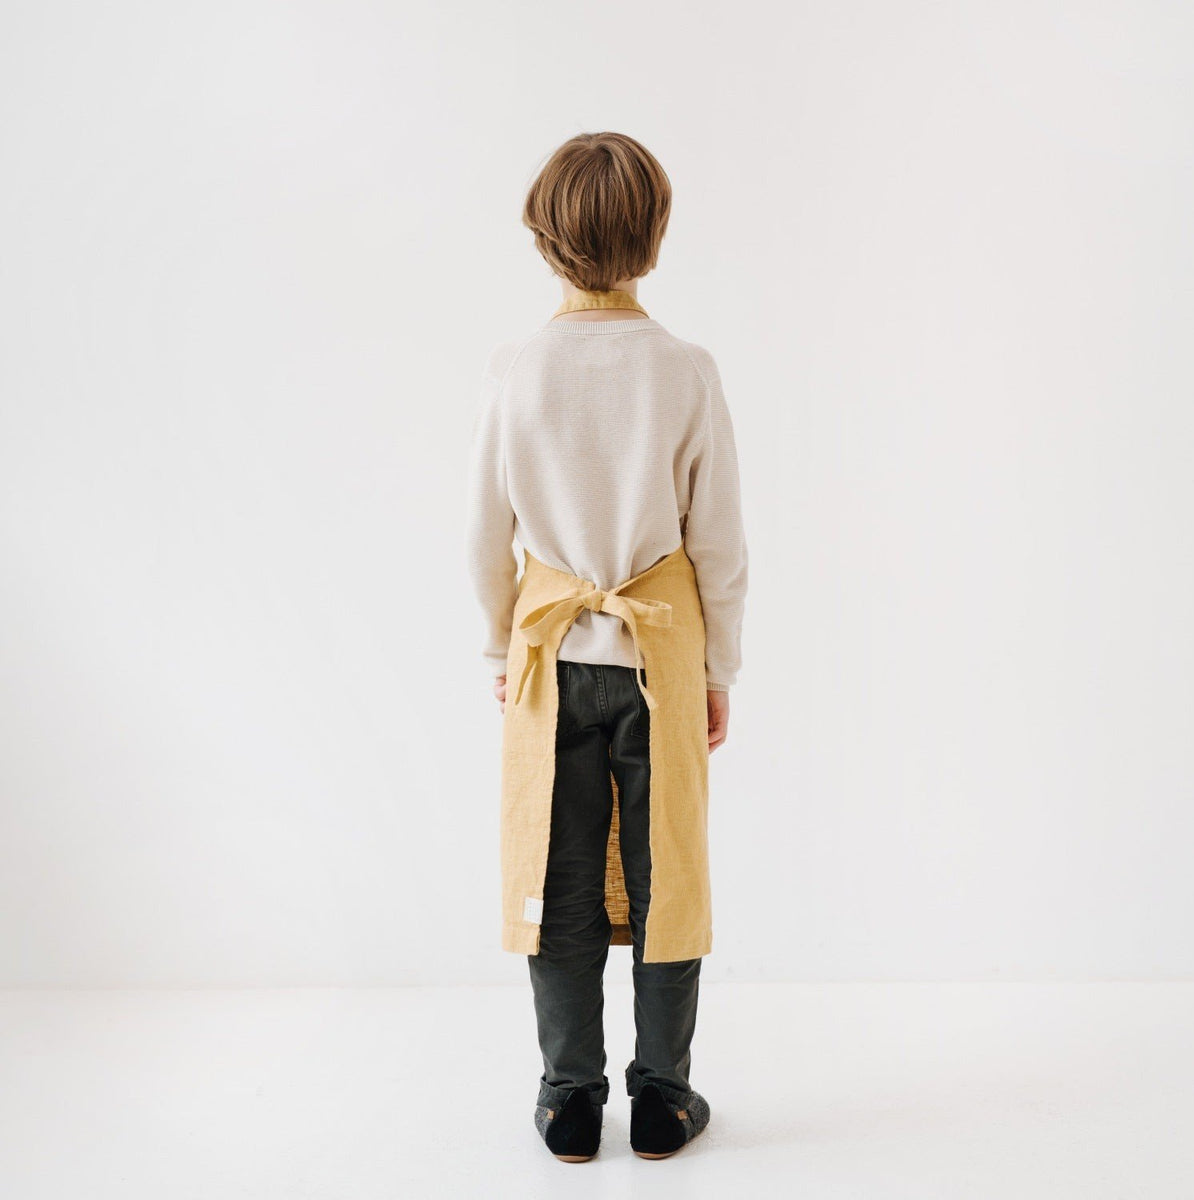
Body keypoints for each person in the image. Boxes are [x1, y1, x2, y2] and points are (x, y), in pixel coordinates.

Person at [465, 131, 749, 1162]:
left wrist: (503, 650)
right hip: (659, 655)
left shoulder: (516, 369)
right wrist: (717, 670)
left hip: (552, 657)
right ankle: (665, 1099)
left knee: (559, 875)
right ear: (654, 237)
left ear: (542, 237)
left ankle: (568, 1098)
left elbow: (482, 536)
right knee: (669, 868)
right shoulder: (684, 370)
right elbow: (717, 541)